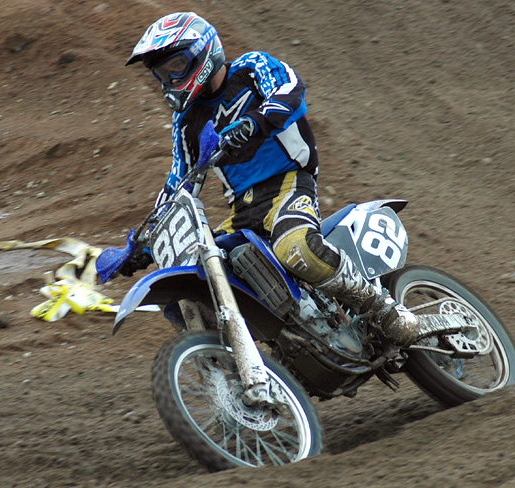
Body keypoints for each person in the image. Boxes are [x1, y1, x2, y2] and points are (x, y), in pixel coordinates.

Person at [121, 12, 419, 347]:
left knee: (296, 248)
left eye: (176, 66)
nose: (170, 78)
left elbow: (291, 92)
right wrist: (146, 243)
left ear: (202, 52)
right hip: (243, 209)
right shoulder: (186, 121)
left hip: (288, 182)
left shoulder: (251, 68)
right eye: (163, 73)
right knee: (197, 279)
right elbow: (180, 182)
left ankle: (381, 308)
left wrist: (256, 121)